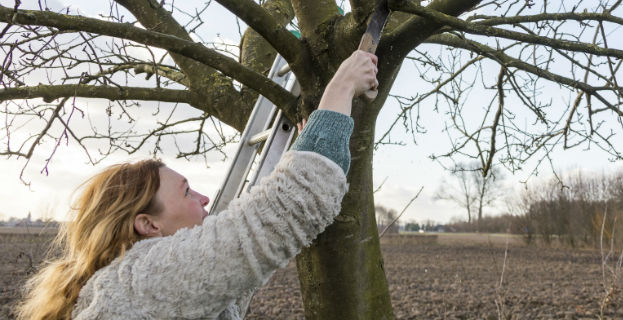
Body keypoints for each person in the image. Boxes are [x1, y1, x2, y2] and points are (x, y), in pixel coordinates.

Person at [16, 50, 379, 320]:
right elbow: (278, 217)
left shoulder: (134, 288)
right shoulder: (144, 279)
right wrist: (343, 86)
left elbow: (235, 271)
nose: (205, 198)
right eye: (186, 192)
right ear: (148, 225)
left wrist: (296, 154)